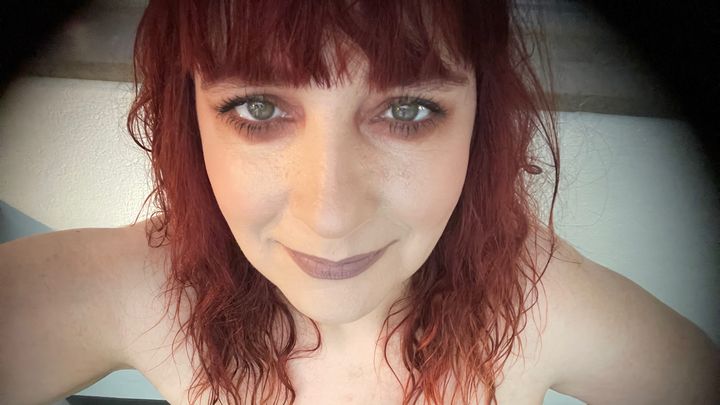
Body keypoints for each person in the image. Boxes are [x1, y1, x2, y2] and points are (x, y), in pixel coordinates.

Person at [1, 0, 718, 404]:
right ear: (189, 119)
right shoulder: (146, 287)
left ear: (482, 122)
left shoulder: (538, 301)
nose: (331, 218)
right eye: (257, 107)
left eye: (407, 110)